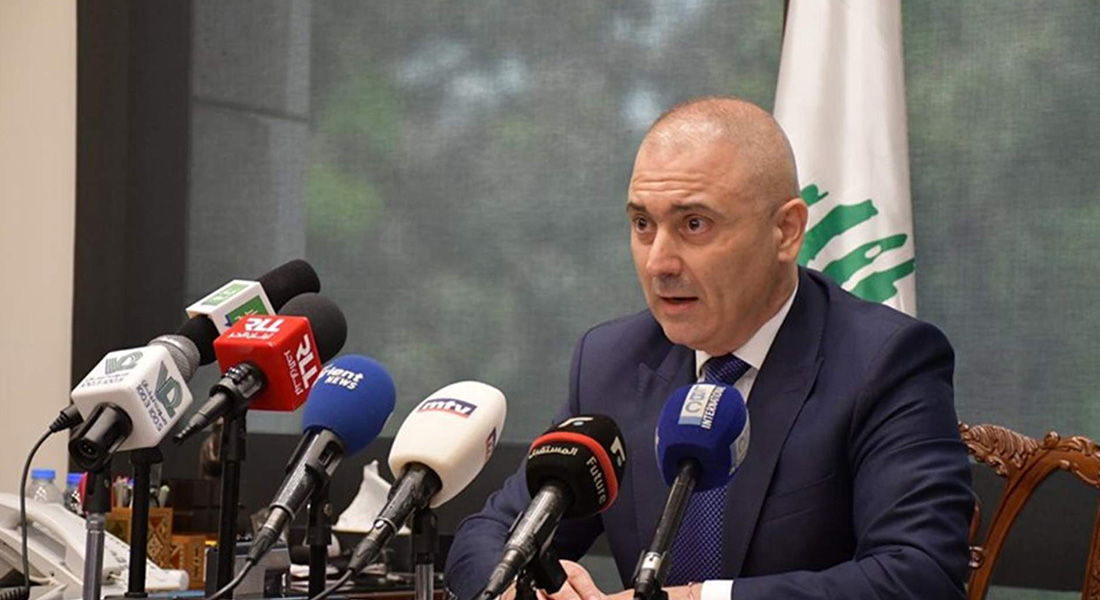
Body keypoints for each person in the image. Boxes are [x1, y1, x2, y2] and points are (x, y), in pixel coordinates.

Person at [444, 97, 973, 600]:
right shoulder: (612, 361)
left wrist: (695, 598)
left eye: (694, 224)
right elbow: (487, 538)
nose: (659, 262)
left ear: (786, 231)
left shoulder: (884, 361)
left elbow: (920, 575)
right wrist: (524, 587)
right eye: (642, 224)